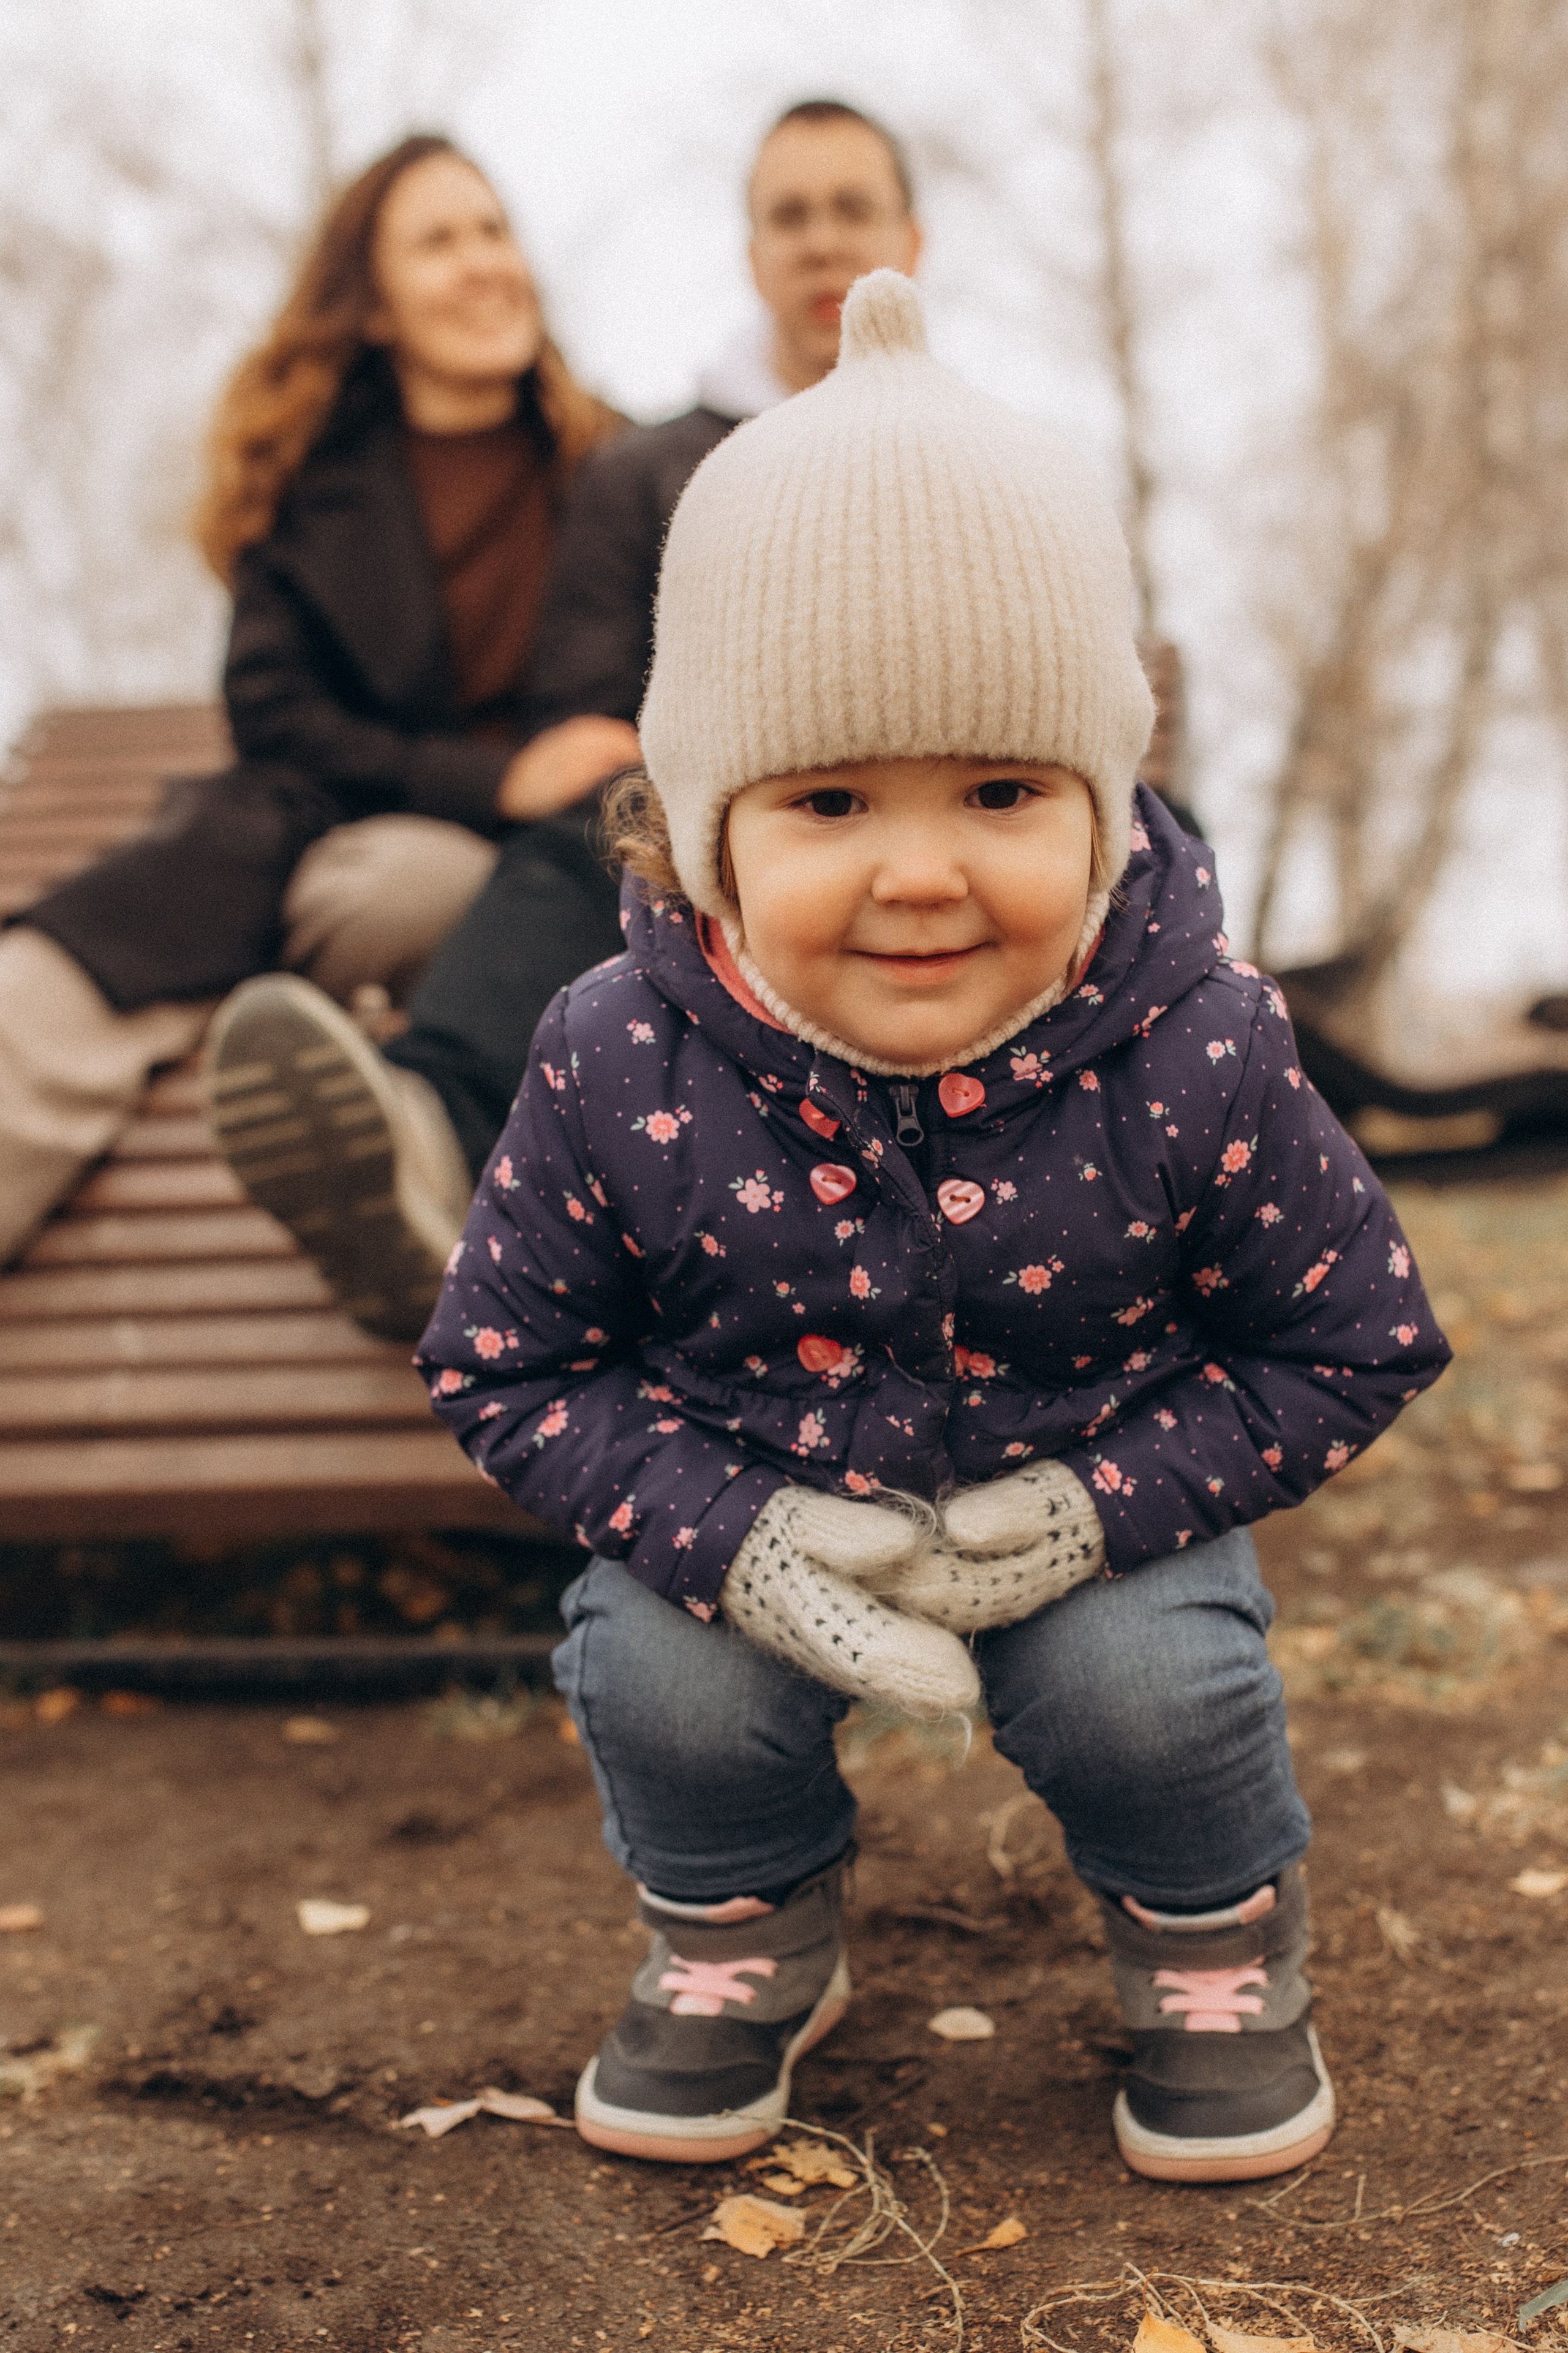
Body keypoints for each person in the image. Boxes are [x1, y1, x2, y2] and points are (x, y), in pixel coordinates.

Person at [417, 273, 1450, 2181]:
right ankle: (739, 1930)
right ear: (709, 828)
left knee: (1148, 1682)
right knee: (664, 1673)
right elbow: (508, 1363)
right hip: (743, 1504)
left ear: (1108, 808)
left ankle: (1211, 1938)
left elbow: (1354, 1334)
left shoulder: (1196, 1037)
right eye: (826, 799)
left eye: (998, 789)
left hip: (1089, 1510)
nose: (918, 870)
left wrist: (1102, 1503)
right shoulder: (610, 1052)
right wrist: (730, 1530)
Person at [203, 100, 924, 1332]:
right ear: (748, 257)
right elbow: (585, 703)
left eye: (849, 209)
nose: (818, 244)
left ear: (909, 239)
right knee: (589, 839)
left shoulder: (992, 460)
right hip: (729, 835)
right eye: (786, 217)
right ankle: (420, 1139)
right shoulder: (643, 471)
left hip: (944, 826)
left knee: (1144, 828)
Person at [0, 134, 630, 1334]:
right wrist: (492, 777)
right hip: (310, 847)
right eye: (438, 240)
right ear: (375, 305)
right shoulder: (308, 484)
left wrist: (534, 799)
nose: (482, 262)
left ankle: (406, 1155)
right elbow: (276, 717)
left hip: (534, 880)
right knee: (60, 984)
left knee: (415, 889)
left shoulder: (622, 466)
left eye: (493, 230)